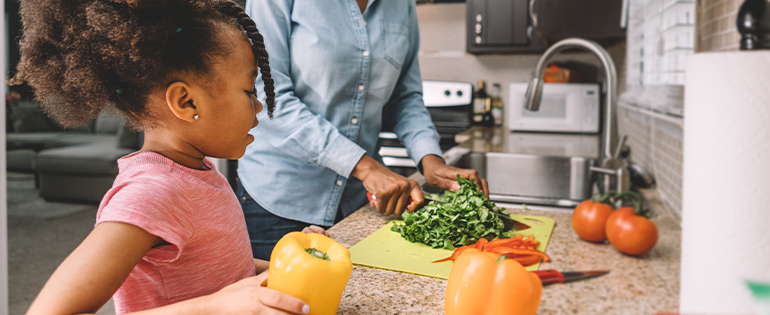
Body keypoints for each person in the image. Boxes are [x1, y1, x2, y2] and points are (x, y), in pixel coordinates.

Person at [11, 0, 322, 314]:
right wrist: (215, 307)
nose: (258, 107)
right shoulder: (152, 192)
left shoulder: (197, 172)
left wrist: (289, 265)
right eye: (249, 89)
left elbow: (220, 269)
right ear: (186, 102)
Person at [238, 0, 490, 260]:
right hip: (280, 201)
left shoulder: (401, 5)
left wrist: (431, 160)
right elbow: (272, 99)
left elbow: (404, 97)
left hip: (359, 204)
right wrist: (366, 167)